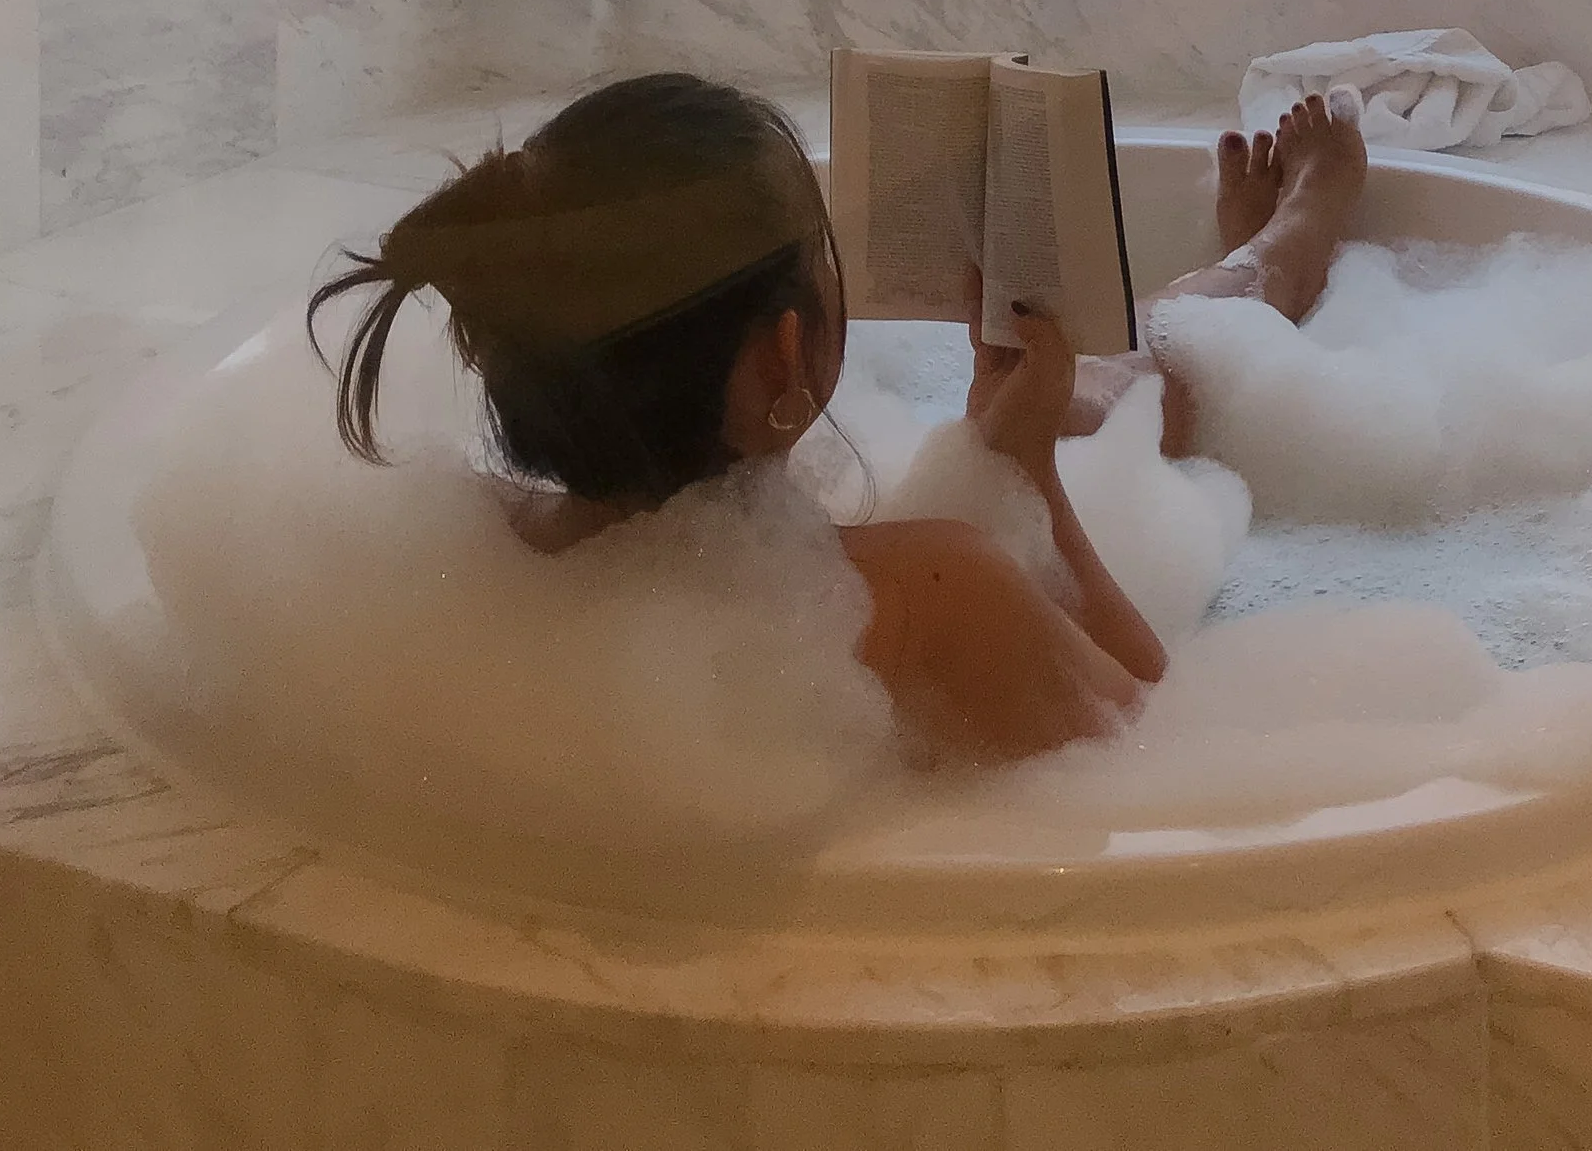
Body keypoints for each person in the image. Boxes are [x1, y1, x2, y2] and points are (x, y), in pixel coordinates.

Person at [309, 70, 1368, 763]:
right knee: (1118, 385)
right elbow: (1157, 748)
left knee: (1110, 388)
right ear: (784, 353)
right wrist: (1028, 470)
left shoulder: (461, 543)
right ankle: (1266, 268)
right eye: (825, 254)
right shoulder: (937, 589)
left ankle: (1245, 281)